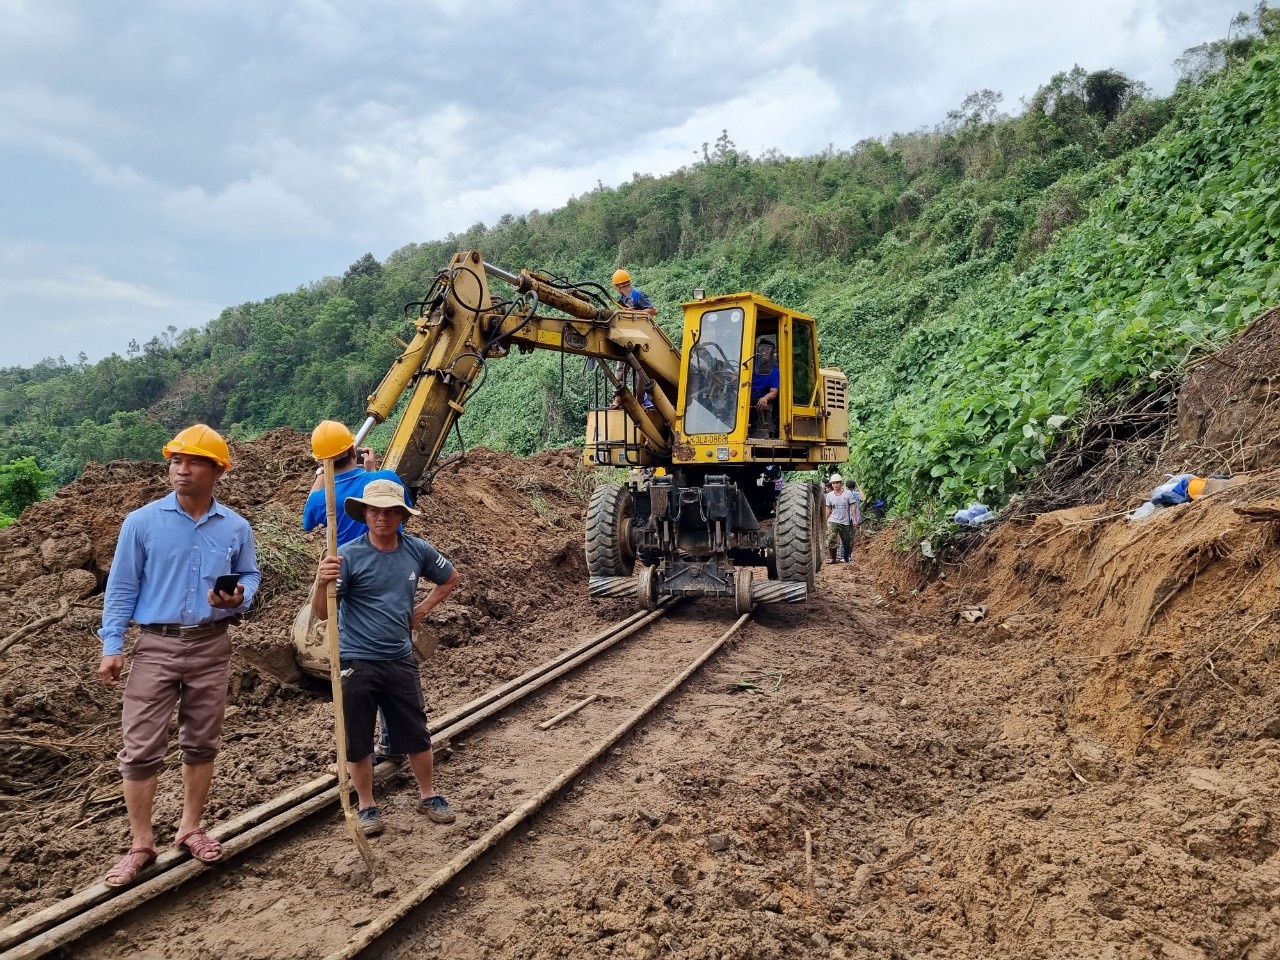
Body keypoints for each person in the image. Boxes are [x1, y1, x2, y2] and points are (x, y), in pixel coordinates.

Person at [97, 424, 260, 887]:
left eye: (192, 462)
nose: (181, 470)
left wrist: (238, 598)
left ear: (217, 471)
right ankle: (141, 844)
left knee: (201, 741)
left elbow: (249, 575)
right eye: (175, 461)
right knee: (141, 747)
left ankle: (190, 828)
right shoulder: (142, 522)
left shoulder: (235, 527)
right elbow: (122, 586)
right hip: (155, 645)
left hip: (212, 644)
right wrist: (113, 645)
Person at [312, 478, 460, 836]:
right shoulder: (346, 555)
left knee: (416, 730)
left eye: (391, 511)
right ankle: (367, 804)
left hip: (400, 657)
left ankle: (429, 794)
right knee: (358, 737)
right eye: (375, 510)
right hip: (356, 661)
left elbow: (450, 576)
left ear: (401, 515)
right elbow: (321, 614)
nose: (383, 517)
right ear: (365, 513)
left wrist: (423, 607)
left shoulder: (416, 550)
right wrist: (320, 581)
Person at [303, 421, 409, 764]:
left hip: (345, 582)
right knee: (393, 662)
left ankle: (365, 746)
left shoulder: (323, 497)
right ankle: (393, 741)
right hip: (391, 575)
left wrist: (322, 476)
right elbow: (393, 503)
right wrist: (373, 470)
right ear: (354, 450)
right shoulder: (385, 481)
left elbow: (308, 520)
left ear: (324, 461)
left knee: (360, 662)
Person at [823, 473, 862, 564]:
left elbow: (853, 506)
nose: (835, 485)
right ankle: (833, 558)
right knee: (831, 537)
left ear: (841, 483)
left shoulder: (848, 494)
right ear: (831, 484)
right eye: (833, 483)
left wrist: (855, 519)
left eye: (837, 483)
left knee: (846, 542)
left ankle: (846, 557)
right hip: (833, 520)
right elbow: (828, 508)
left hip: (845, 521)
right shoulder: (829, 495)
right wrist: (825, 520)